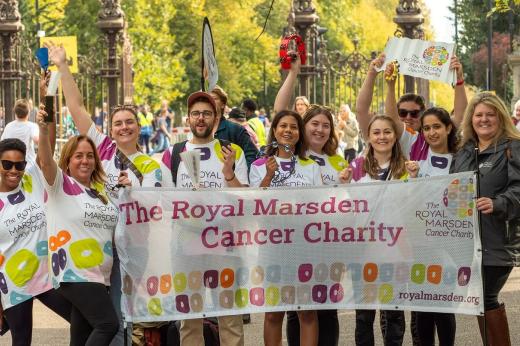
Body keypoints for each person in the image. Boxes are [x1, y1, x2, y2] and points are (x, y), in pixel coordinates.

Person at [47, 42, 170, 345]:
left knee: (129, 316)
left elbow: (159, 208)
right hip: (101, 250)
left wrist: (136, 191)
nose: (124, 127)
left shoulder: (153, 165)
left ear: (138, 127)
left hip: (136, 250)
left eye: (129, 122)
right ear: (111, 130)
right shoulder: (102, 150)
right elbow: (76, 108)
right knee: (108, 320)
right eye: (118, 123)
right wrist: (63, 67)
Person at [161, 91, 247, 345]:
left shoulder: (233, 152)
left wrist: (229, 174)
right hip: (185, 243)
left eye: (207, 114)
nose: (201, 118)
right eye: (196, 113)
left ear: (217, 118)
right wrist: (191, 202)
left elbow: (245, 200)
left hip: (225, 244)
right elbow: (165, 200)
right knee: (189, 318)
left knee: (229, 316)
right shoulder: (173, 153)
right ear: (188, 118)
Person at [37, 107, 122, 345]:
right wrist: (43, 131)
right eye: (78, 156)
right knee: (108, 325)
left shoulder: (99, 194)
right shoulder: (60, 185)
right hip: (75, 272)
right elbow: (45, 162)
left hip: (99, 275)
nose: (85, 160)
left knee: (81, 334)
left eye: (90, 155)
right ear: (68, 160)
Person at [450, 92, 520, 346]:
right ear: (471, 119)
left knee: (486, 296)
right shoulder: (464, 152)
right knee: (479, 300)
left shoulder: (514, 146)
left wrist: (498, 202)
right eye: (479, 115)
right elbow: (451, 189)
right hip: (467, 240)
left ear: (501, 118)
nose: (484, 119)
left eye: (490, 114)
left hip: (498, 239)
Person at [249, 110, 322, 346]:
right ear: (274, 131)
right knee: (273, 312)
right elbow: (254, 206)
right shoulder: (260, 165)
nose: (288, 130)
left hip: (304, 246)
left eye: (293, 127)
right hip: (272, 246)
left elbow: (320, 206)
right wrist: (269, 176)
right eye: (283, 126)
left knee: (307, 311)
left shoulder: (310, 166)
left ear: (300, 134)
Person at [341, 115, 408, 346]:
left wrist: (418, 179)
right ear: (368, 137)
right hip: (364, 252)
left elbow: (413, 204)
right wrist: (343, 185)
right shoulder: (357, 167)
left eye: (387, 131)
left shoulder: (406, 167)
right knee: (364, 315)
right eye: (376, 132)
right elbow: (344, 205)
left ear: (395, 135)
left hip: (395, 251)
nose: (382, 137)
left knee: (394, 313)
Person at [0, 138, 71, 345]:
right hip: (15, 283)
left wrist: (44, 118)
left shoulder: (31, 178)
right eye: (7, 164)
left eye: (19, 164)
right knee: (21, 340)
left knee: (82, 320)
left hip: (48, 275)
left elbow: (46, 148)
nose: (14, 170)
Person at [405, 107, 458, 346]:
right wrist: (413, 180)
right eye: (426, 128)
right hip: (420, 246)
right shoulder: (417, 165)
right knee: (423, 308)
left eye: (437, 126)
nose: (432, 132)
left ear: (448, 128)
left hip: (449, 245)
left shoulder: (461, 162)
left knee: (444, 308)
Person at [356, 54, 467, 159]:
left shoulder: (435, 137)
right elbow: (362, 111)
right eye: (402, 113)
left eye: (414, 113)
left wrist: (459, 79)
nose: (408, 117)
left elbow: (461, 116)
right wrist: (372, 74)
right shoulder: (391, 136)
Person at [210, 86, 260, 167]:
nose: (210, 102)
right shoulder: (198, 130)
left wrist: (239, 175)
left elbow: (252, 156)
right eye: (207, 99)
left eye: (214, 98)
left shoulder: (236, 129)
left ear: (223, 105)